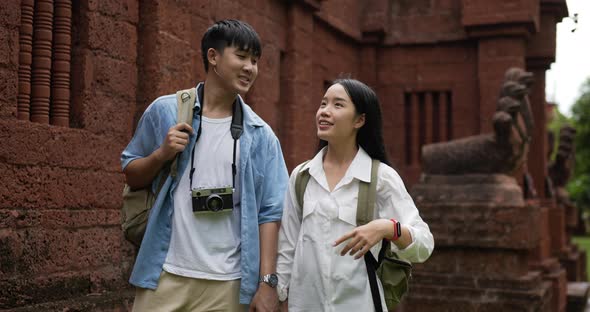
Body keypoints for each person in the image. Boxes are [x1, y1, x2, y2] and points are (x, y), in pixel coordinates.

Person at [121, 19, 288, 311]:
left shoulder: (261, 136)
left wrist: (267, 283)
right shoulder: (166, 111)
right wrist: (161, 155)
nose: (250, 67)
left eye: (255, 60)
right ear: (213, 57)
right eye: (242, 56)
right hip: (164, 274)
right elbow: (131, 174)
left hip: (229, 285)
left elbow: (270, 214)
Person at [276, 79, 434, 311]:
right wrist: (277, 293)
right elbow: (287, 247)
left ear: (360, 120)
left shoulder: (381, 177)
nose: (324, 112)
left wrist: (387, 228)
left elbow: (424, 244)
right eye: (323, 104)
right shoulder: (302, 176)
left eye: (338, 105)